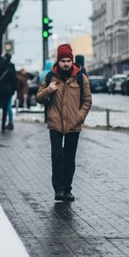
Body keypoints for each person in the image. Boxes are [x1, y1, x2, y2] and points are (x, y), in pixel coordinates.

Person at [36, 44, 92, 202]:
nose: (66, 64)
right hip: (55, 124)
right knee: (56, 157)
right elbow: (39, 98)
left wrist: (79, 117)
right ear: (58, 61)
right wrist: (48, 90)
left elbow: (87, 100)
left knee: (69, 158)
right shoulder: (49, 77)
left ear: (72, 61)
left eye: (68, 60)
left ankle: (67, 189)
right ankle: (58, 190)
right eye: (63, 61)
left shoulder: (81, 78)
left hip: (73, 125)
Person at [0, 53, 17, 131]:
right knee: (5, 108)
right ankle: (3, 125)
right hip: (7, 90)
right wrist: (12, 90)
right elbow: (14, 80)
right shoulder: (11, 67)